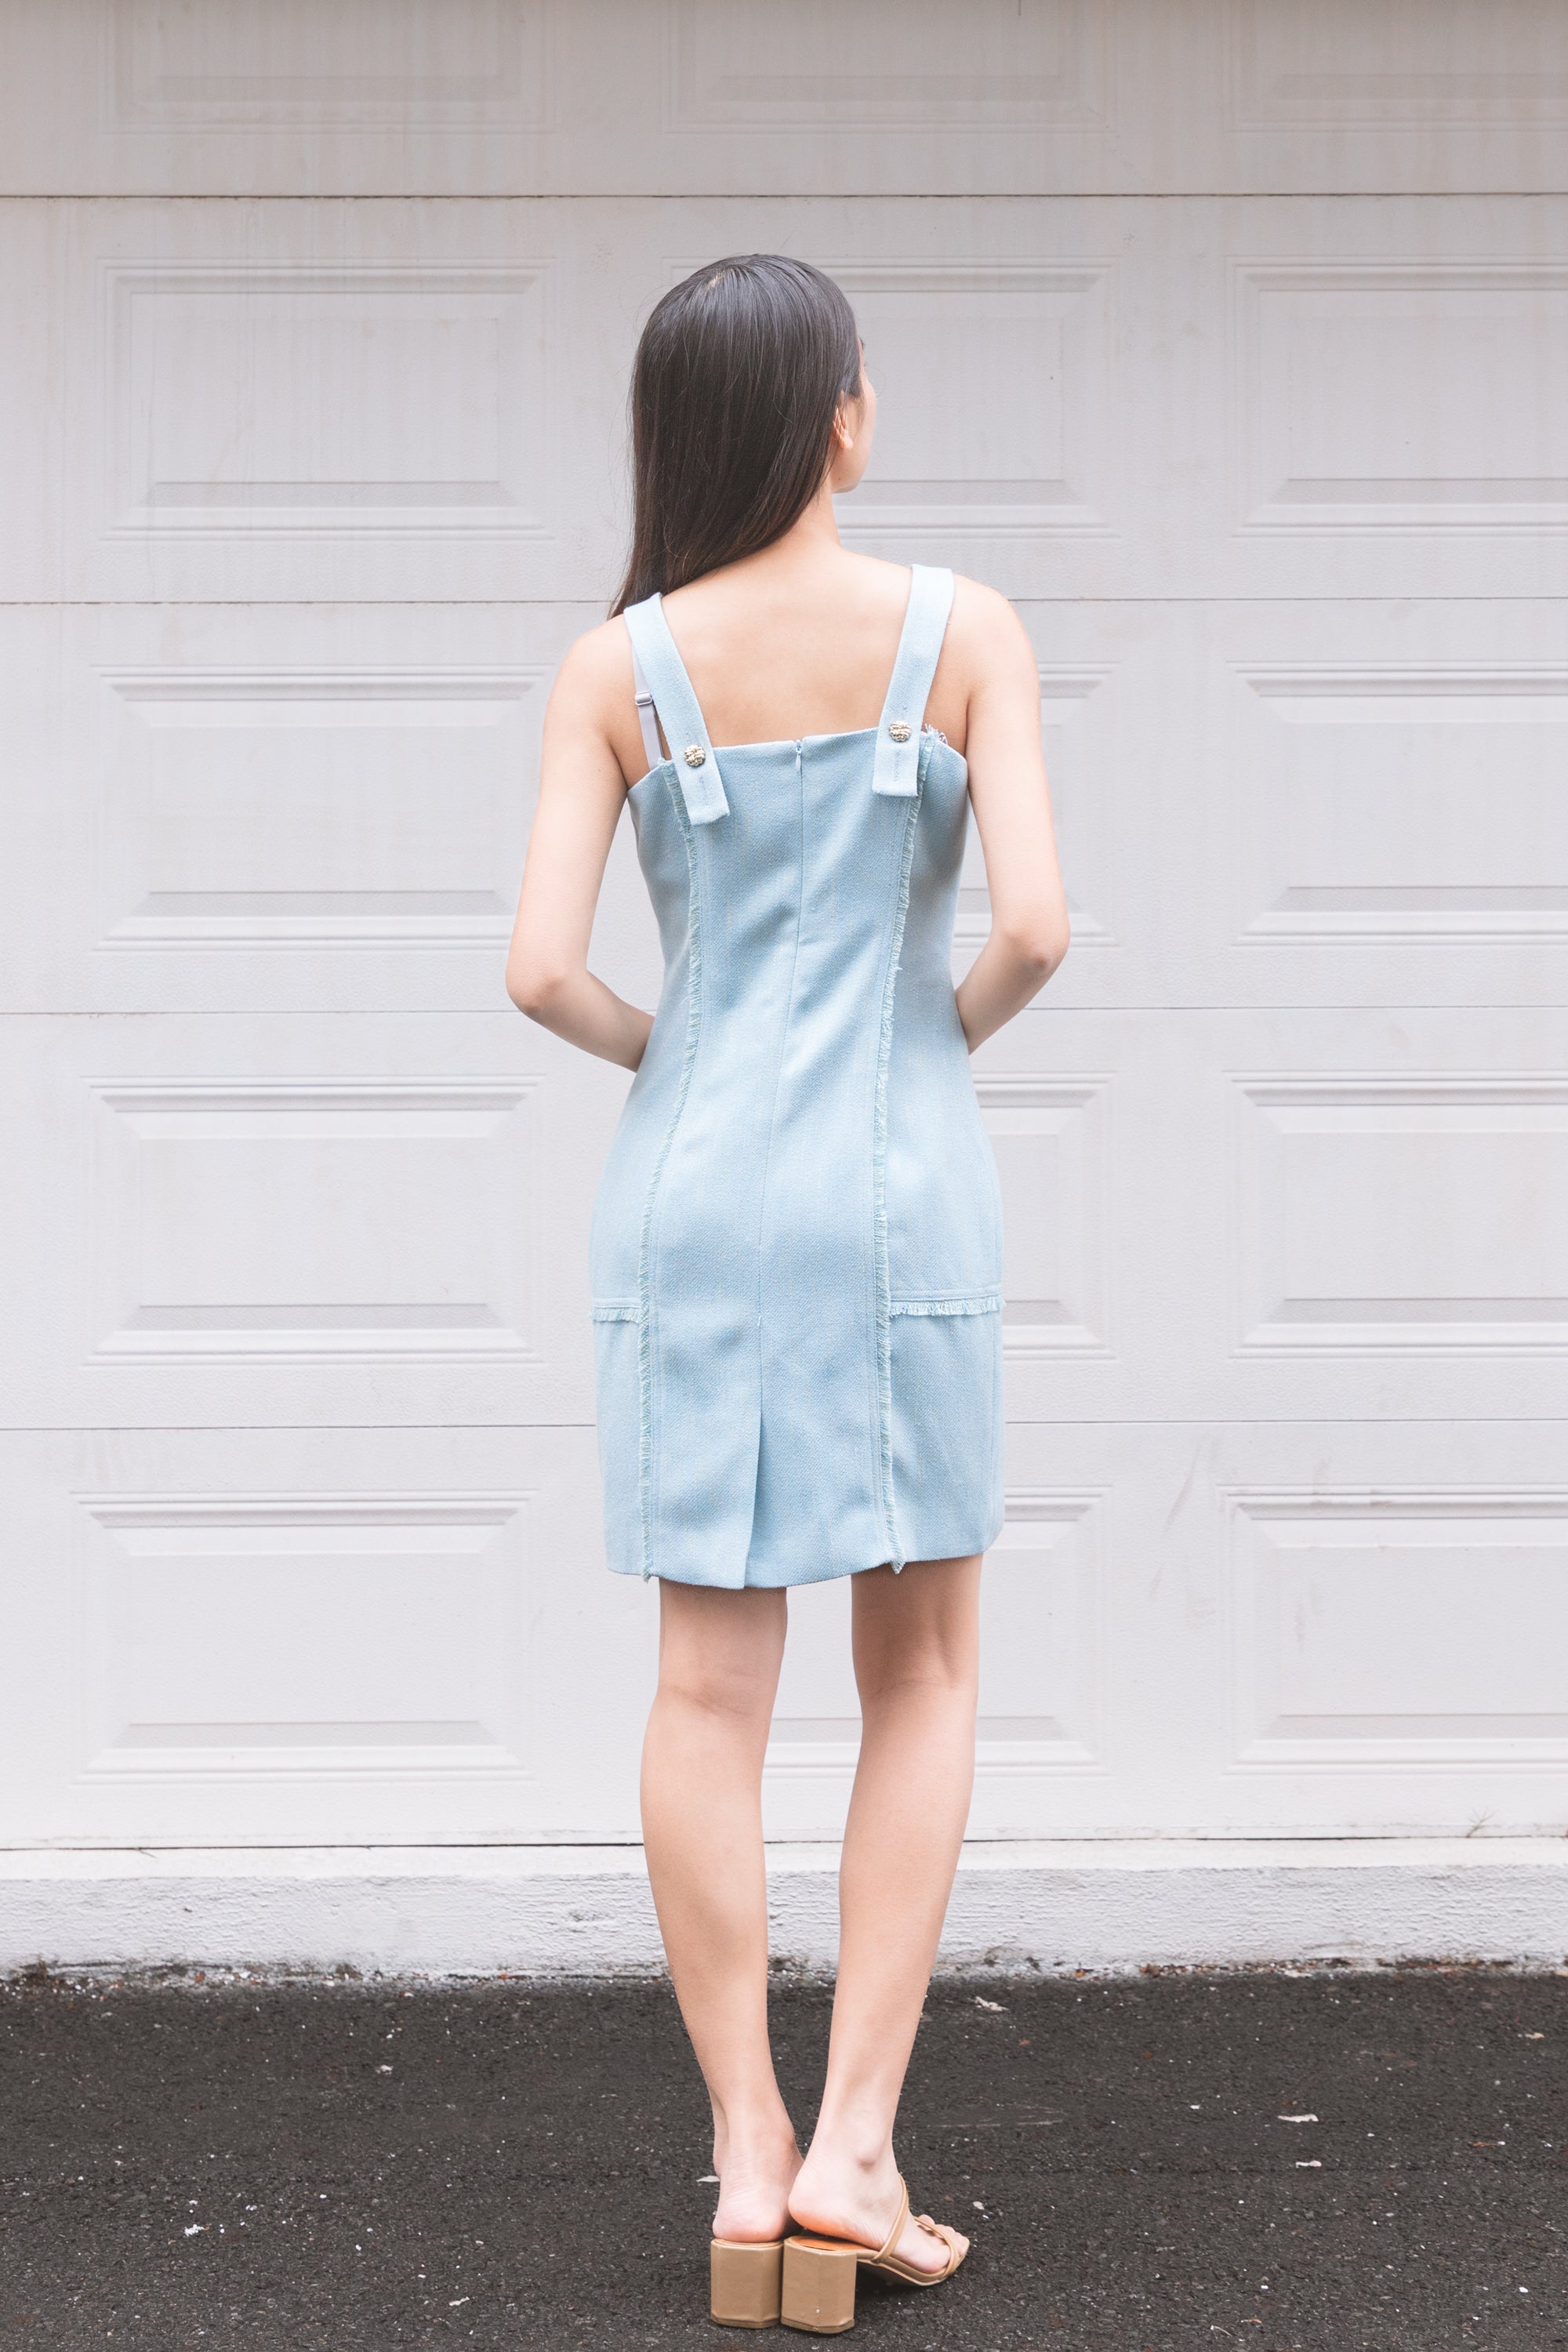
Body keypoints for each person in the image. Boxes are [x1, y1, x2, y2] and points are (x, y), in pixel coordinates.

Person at [506, 254, 1069, 2332]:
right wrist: (921, 1049)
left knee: (703, 1688)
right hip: (897, 1195)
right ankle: (857, 2150)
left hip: (694, 1198)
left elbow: (539, 970)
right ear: (837, 416)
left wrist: (684, 1059)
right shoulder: (964, 631)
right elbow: (1038, 926)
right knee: (918, 1671)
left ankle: (748, 2153)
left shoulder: (619, 669)